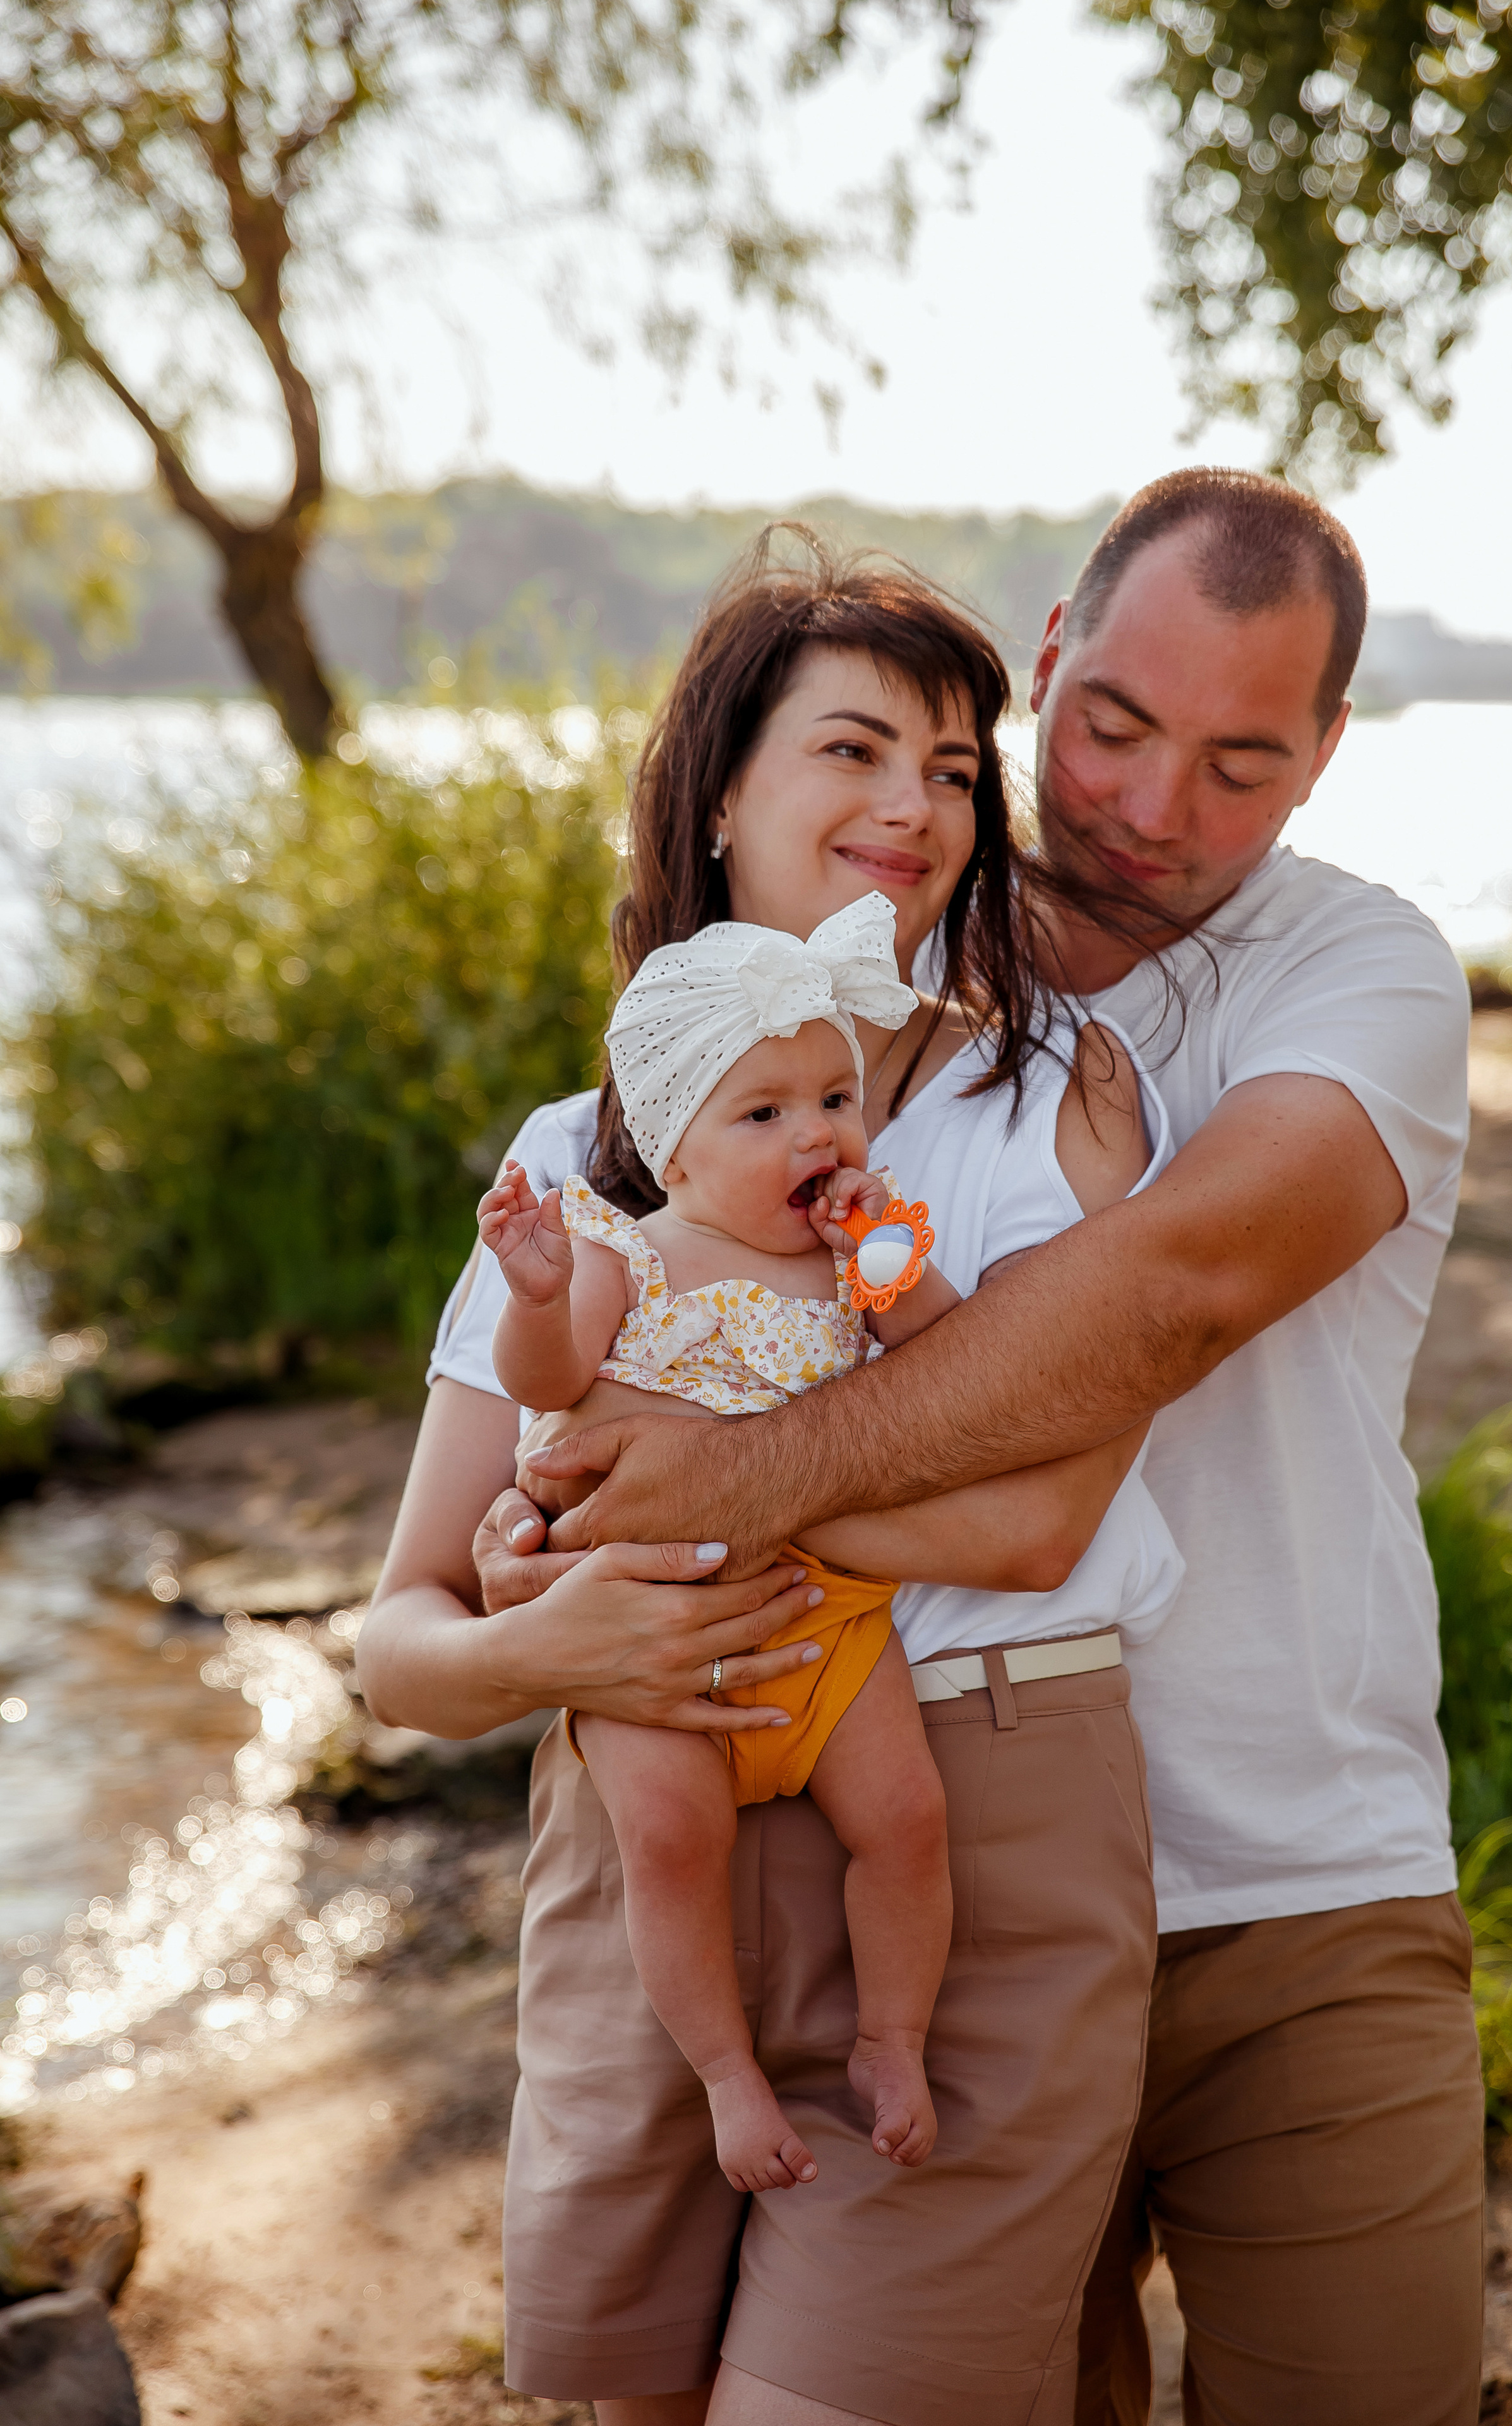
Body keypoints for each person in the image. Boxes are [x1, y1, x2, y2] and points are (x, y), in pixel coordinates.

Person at [525, 471, 1484, 2426]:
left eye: (1240, 763)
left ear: (1327, 757)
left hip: (1298, 1870)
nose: (1148, 807)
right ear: (1048, 661)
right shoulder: (865, 1022)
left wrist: (716, 1489)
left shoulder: (1360, 974)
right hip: (950, 1876)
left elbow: (1174, 1295)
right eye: (1115, 726)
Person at [358, 531, 1181, 2423]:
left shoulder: (1052, 1108)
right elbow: (399, 1642)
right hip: (639, 1829)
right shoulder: (584, 1151)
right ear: (720, 789)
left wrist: (669, 1488)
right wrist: (557, 1649)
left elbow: (1043, 1515)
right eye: (856, 750)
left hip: (950, 1790)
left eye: (961, 769)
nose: (916, 805)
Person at [474, 896, 969, 2191]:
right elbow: (551, 1370)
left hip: (828, 1622)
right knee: (672, 1845)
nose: (817, 1132)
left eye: (835, 1099)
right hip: (652, 1638)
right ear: (671, 1147)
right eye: (764, 1114)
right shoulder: (621, 1252)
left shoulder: (854, 1255)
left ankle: (890, 2039)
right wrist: (531, 1293)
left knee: (908, 1820)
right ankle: (727, 2078)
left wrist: (890, 1265)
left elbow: (955, 1368)